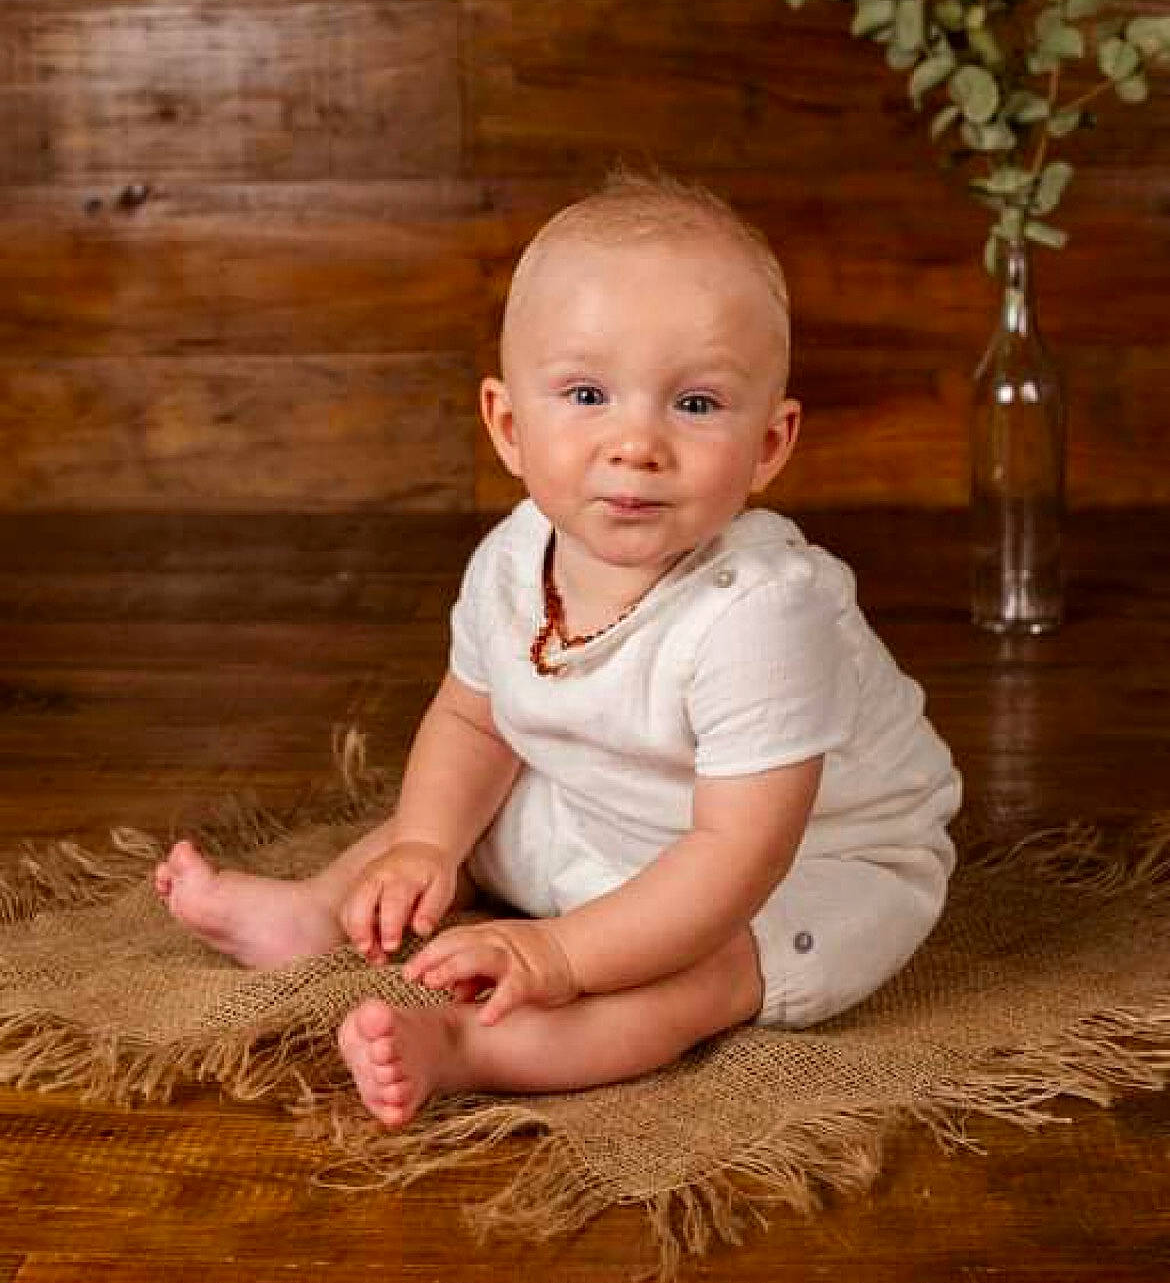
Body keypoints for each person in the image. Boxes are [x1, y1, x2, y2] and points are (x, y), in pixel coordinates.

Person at [155, 170, 961, 1129]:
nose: (637, 444)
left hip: (805, 864)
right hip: (611, 813)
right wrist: (425, 844)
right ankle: (319, 909)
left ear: (770, 445)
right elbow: (474, 718)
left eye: (697, 404)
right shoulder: (513, 559)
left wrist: (557, 953)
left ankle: (470, 1047)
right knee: (466, 808)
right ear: (508, 425)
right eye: (587, 393)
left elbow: (735, 854)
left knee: (702, 973)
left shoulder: (765, 613)